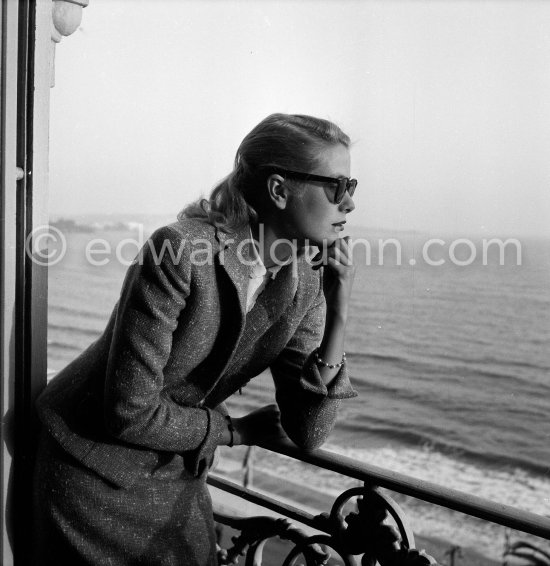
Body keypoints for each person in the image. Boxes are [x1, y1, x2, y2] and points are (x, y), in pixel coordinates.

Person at [32, 113, 358, 565]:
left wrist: (338, 314)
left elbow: (309, 432)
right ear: (279, 190)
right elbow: (128, 412)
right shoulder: (181, 253)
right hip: (93, 470)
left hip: (177, 470)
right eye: (338, 187)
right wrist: (233, 430)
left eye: (352, 187)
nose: (350, 204)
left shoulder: (303, 282)